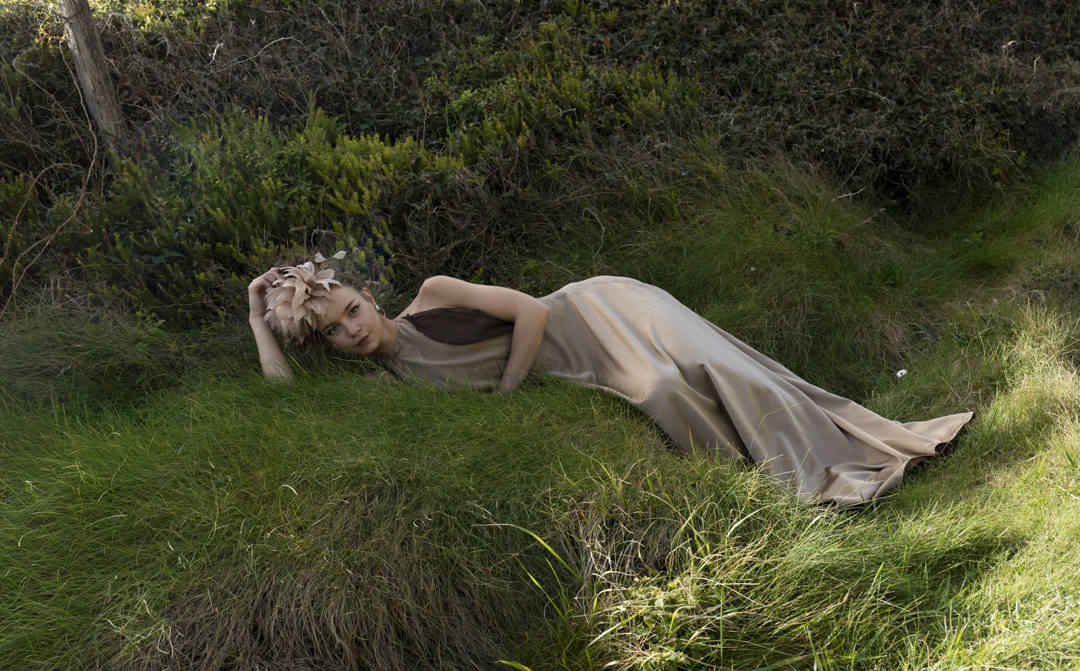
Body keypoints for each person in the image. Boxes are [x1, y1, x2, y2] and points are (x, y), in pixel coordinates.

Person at [248, 256, 972, 508]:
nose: (354, 328)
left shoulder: (434, 294)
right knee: (660, 391)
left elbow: (532, 312)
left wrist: (505, 393)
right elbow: (282, 398)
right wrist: (257, 316)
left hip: (597, 312)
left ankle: (840, 458)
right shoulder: (390, 384)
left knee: (709, 365)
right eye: (336, 331)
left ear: (367, 296)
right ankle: (780, 493)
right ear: (331, 347)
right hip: (580, 368)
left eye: (352, 309)